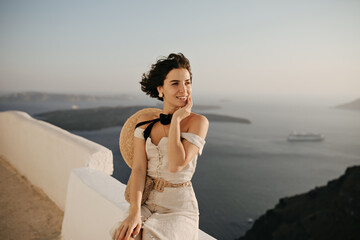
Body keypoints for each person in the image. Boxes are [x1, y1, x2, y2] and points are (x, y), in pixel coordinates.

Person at [111, 53, 209, 240]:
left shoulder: (198, 122)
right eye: (175, 83)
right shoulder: (144, 122)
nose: (184, 89)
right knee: (125, 237)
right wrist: (134, 212)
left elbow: (176, 164)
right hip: (146, 203)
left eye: (187, 82)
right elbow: (139, 169)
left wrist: (177, 120)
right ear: (160, 89)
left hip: (179, 207)